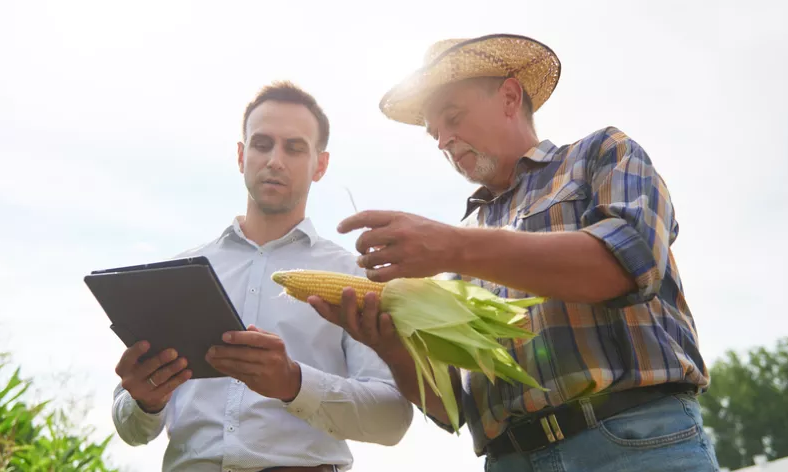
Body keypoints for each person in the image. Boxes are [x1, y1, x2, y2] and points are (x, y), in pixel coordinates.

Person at [307, 34, 720, 471]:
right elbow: (453, 409)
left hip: (635, 441)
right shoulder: (461, 242)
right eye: (435, 133)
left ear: (509, 96)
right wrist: (390, 345)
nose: (443, 141)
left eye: (453, 117)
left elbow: (627, 264)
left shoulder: (600, 154)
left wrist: (453, 247)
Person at [110, 81, 414, 472]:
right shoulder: (177, 274)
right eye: (262, 144)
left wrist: (293, 383)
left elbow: (392, 420)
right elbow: (131, 429)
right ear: (241, 155)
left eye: (294, 147)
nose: (275, 160)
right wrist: (144, 401)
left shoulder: (356, 277)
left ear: (320, 165)